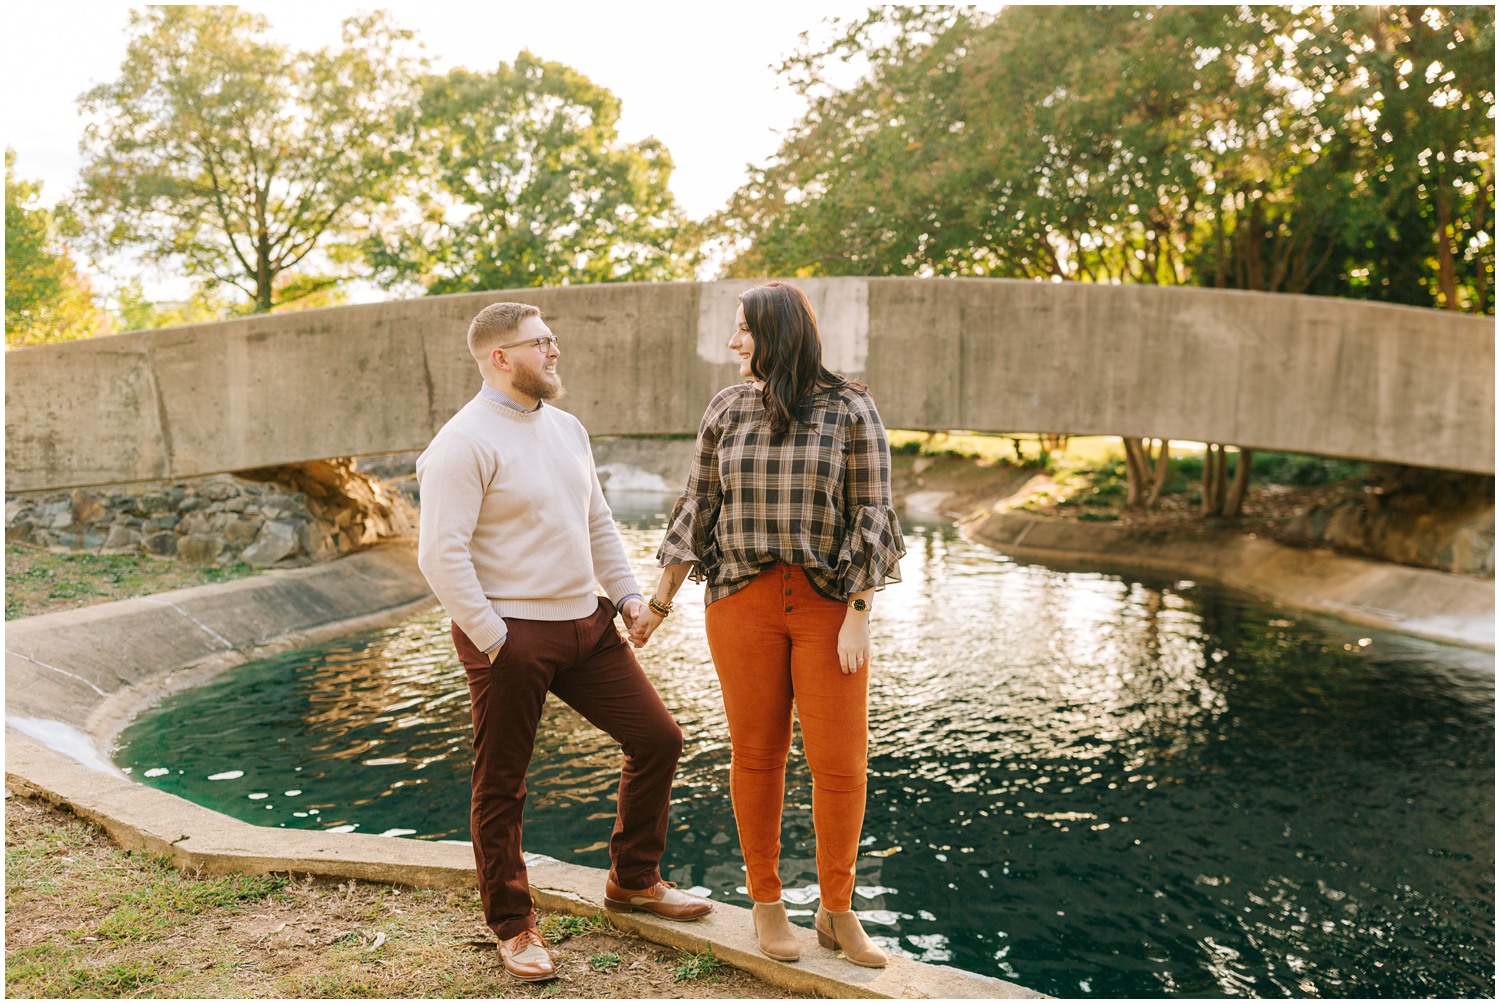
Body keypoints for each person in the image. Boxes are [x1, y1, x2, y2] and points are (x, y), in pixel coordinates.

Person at [416, 302, 712, 983]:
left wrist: (632, 596)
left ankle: (633, 880)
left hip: (588, 625)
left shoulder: (568, 429)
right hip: (511, 636)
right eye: (539, 344)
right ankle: (513, 926)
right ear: (500, 357)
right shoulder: (463, 442)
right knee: (503, 784)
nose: (554, 352)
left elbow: (598, 523)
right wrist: (496, 639)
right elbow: (441, 555)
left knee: (658, 738)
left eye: (553, 341)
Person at [629, 281, 905, 968]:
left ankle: (838, 913)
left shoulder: (851, 407)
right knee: (758, 756)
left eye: (745, 329)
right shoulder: (726, 407)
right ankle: (767, 902)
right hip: (740, 601)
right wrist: (658, 606)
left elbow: (872, 513)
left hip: (827, 606)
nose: (734, 342)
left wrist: (858, 616)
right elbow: (698, 507)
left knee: (840, 765)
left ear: (780, 332)